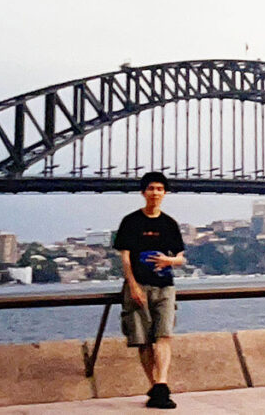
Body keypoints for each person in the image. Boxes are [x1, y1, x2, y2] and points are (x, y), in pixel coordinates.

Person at [113, 171, 186, 409]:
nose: (155, 193)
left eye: (160, 189)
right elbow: (125, 258)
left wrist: (169, 261)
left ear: (165, 193)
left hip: (165, 287)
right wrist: (132, 285)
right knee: (143, 340)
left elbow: (181, 257)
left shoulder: (170, 224)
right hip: (138, 286)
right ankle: (156, 387)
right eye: (151, 188)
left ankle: (161, 384)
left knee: (164, 335)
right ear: (143, 192)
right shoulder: (130, 222)